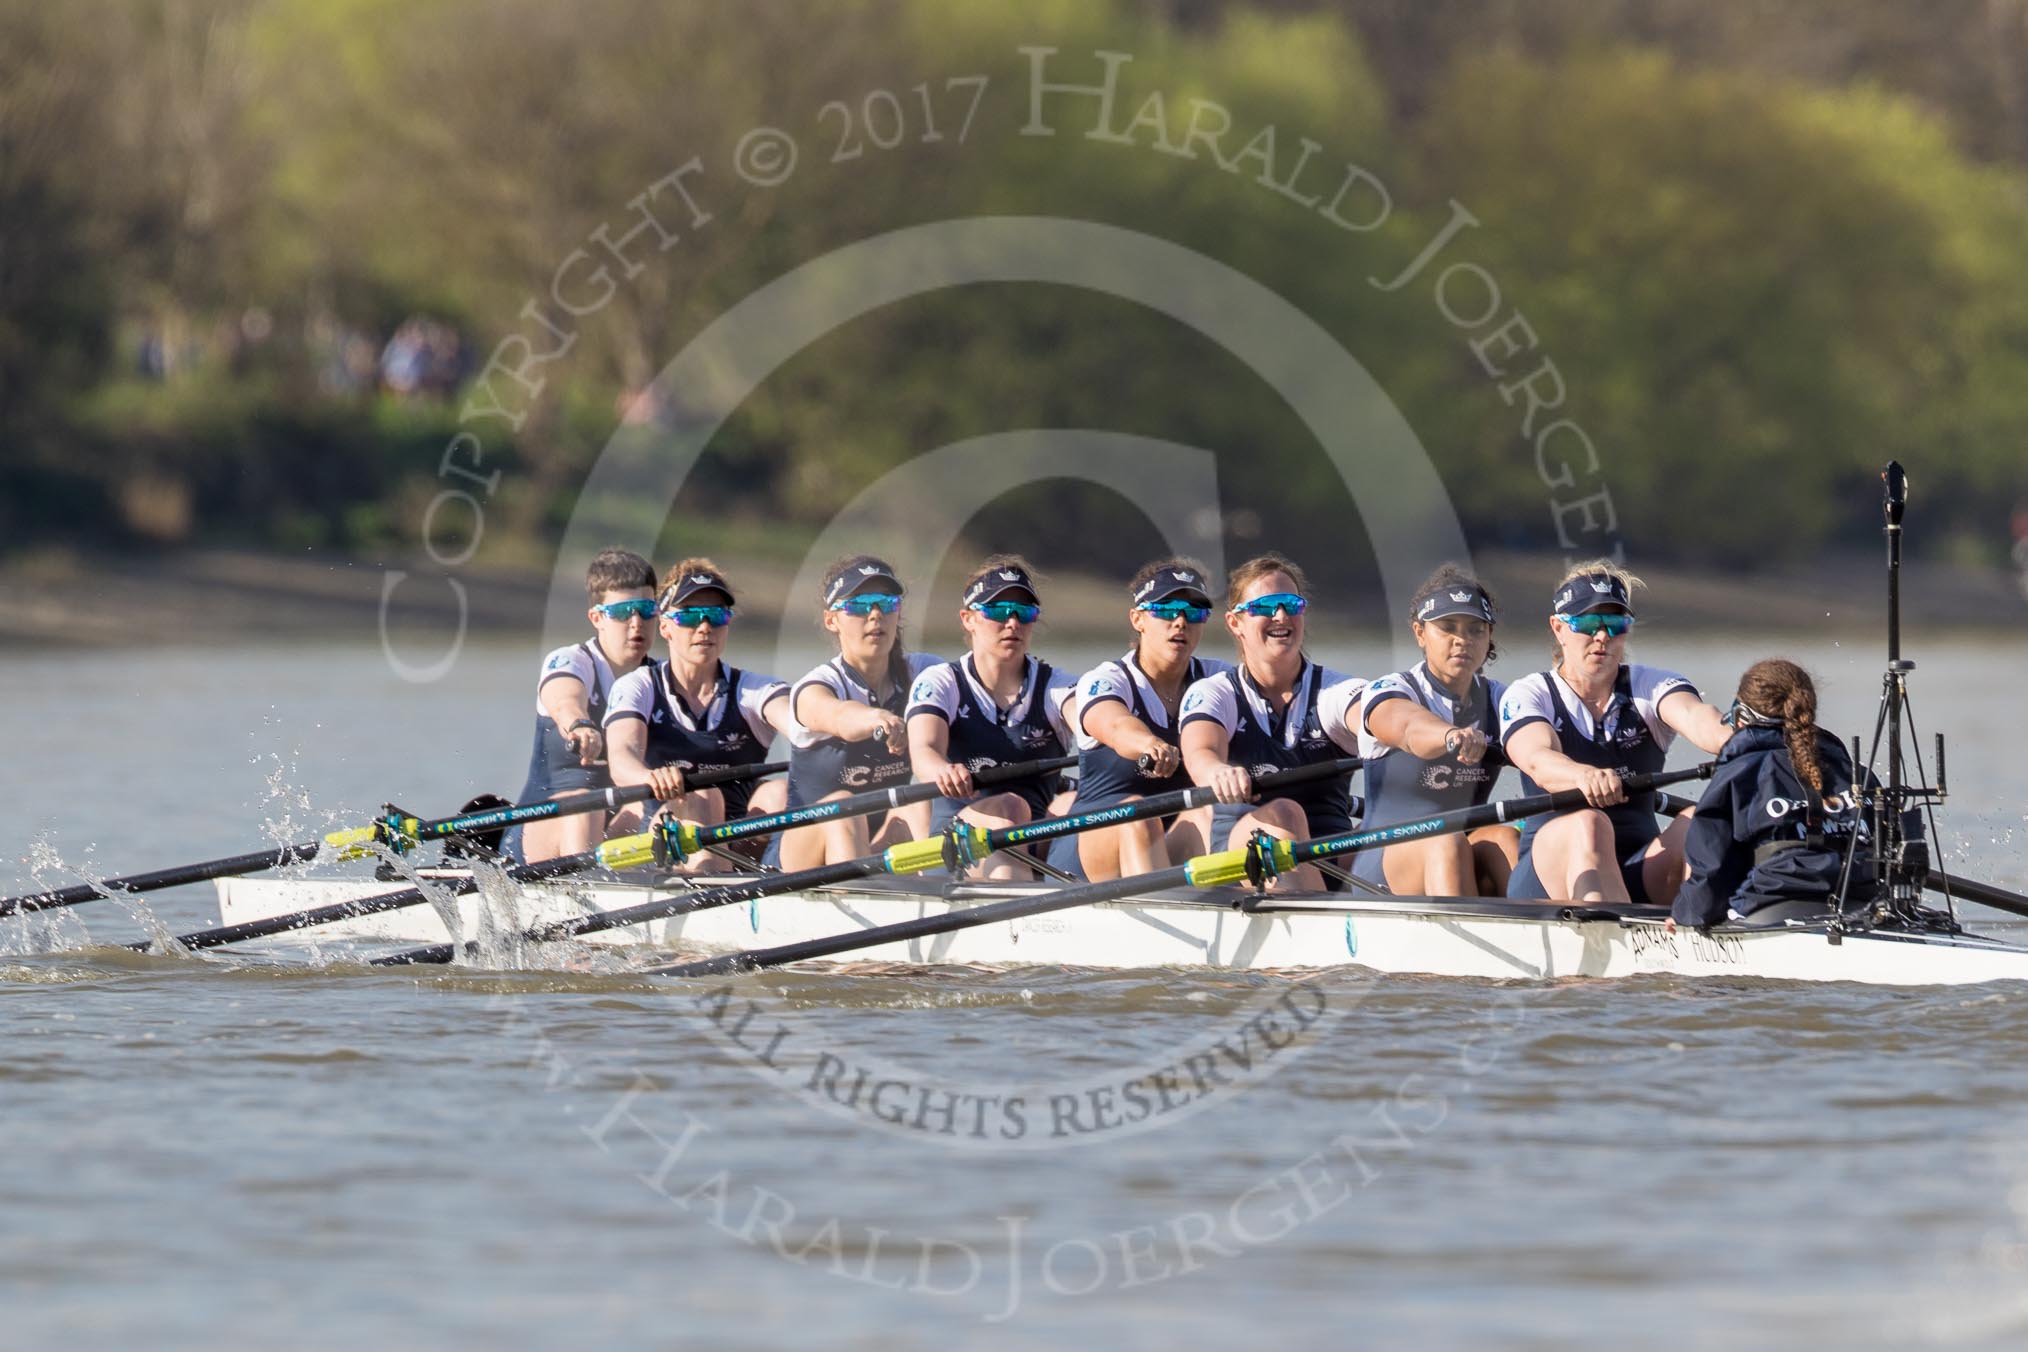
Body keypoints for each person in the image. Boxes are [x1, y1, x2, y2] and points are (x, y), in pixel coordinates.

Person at [1499, 561, 1733, 905]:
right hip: (1549, 874)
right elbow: (1536, 760)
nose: (1602, 636)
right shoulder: (1530, 693)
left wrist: (1743, 740)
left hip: (1639, 865)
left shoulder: (1649, 685)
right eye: (1588, 622)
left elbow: (1699, 719)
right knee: (1589, 823)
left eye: (1615, 623)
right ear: (1559, 628)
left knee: (1701, 819)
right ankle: (1622, 943)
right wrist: (1583, 776)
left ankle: (1704, 926)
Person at [1180, 553, 1364, 892]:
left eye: (1291, 604)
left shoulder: (1336, 690)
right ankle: (1325, 923)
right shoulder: (1215, 693)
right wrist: (1216, 771)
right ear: (1235, 623)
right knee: (1286, 814)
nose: (1281, 615)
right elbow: (1200, 751)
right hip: (1241, 853)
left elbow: (1382, 714)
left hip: (1330, 858)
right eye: (1266, 606)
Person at [603, 560, 792, 870]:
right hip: (665, 830)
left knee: (780, 793)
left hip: (739, 834)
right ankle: (709, 885)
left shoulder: (755, 689)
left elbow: (798, 725)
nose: (705, 626)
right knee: (703, 796)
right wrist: (649, 777)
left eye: (716, 616)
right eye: (689, 616)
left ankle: (787, 887)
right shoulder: (639, 686)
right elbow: (621, 758)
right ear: (665, 626)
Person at [1048, 560, 1230, 881]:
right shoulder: (1105, 680)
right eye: (1166, 608)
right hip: (1088, 855)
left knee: (1211, 813)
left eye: (1194, 611)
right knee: (1138, 816)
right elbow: (1116, 726)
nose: (1180, 621)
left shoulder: (1218, 680)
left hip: (1167, 847)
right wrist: (1150, 744)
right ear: (1138, 619)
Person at [906, 557, 1076, 880]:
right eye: (998, 611)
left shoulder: (1057, 686)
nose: (1012, 623)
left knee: (1085, 804)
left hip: (1034, 838)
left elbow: (1094, 717)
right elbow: (923, 750)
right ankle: (1018, 920)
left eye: (1024, 613)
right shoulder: (941, 682)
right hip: (957, 837)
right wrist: (941, 769)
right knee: (1011, 809)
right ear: (968, 618)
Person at [1670, 659, 1873, 929]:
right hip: (1863, 904)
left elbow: (1711, 871)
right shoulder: (1858, 773)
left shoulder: (1737, 774)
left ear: (1741, 715)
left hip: (1769, 907)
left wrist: (1686, 918)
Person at [1354, 566, 1517, 896]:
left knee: (1507, 839)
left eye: (1475, 629)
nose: (1462, 640)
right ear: (1420, 633)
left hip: (1462, 848)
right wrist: (1450, 736)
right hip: (1383, 860)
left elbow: (1538, 746)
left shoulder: (1502, 699)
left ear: (1489, 637)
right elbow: (1408, 727)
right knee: (1446, 841)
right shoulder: (1391, 689)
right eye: (1447, 628)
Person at [772, 556, 943, 870]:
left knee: (919, 803)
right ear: (831, 620)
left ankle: (933, 900)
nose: (875, 614)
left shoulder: (926, 673)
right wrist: (878, 718)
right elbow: (840, 716)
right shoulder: (815, 687)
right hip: (801, 851)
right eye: (859, 606)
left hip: (874, 840)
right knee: (844, 806)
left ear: (898, 611)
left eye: (885, 604)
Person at [515, 548, 658, 863]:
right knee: (586, 804)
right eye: (623, 612)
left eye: (646, 610)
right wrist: (578, 724)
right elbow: (564, 699)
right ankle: (587, 896)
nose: (637, 623)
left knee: (669, 805)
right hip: (541, 830)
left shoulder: (659, 678)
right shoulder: (571, 661)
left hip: (618, 833)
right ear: (597, 618)